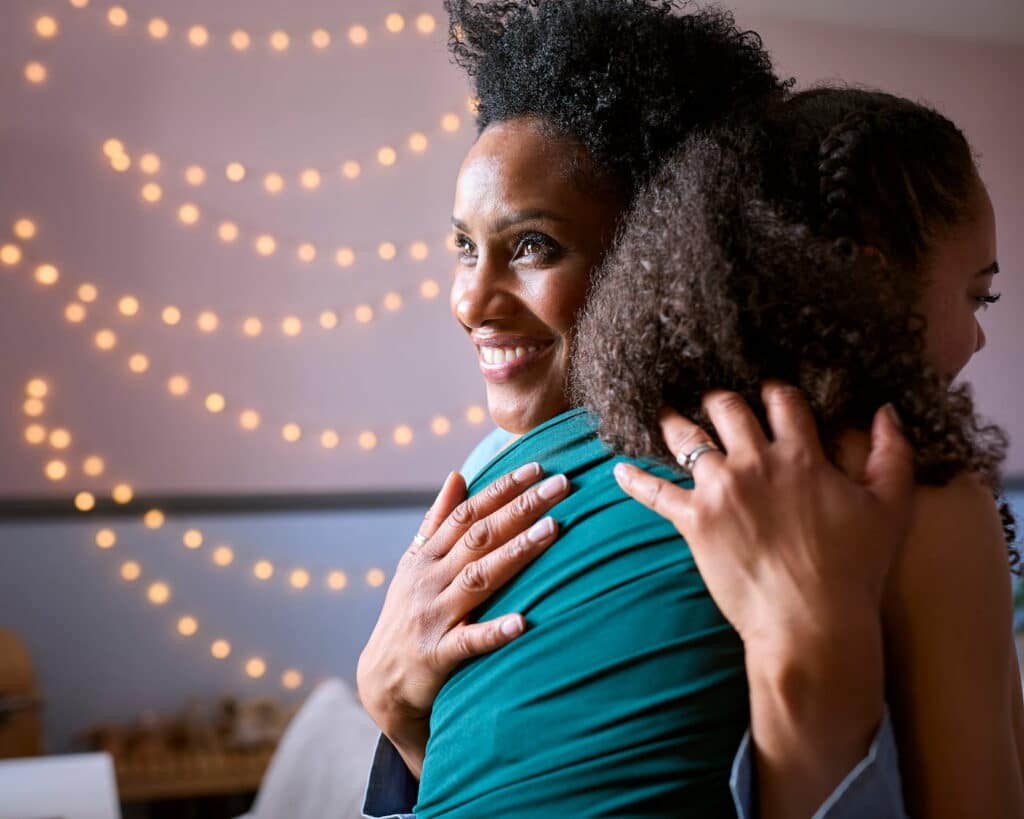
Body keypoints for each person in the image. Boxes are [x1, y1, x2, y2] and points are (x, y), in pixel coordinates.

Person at [360, 2, 909, 817]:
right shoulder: (482, 486)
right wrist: (394, 707)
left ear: (658, 251)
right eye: (465, 247)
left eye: (532, 245)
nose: (470, 299)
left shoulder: (792, 463)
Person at [576, 87, 1023, 817]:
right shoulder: (922, 498)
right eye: (978, 297)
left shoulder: (595, 460)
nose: (978, 339)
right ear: (878, 281)